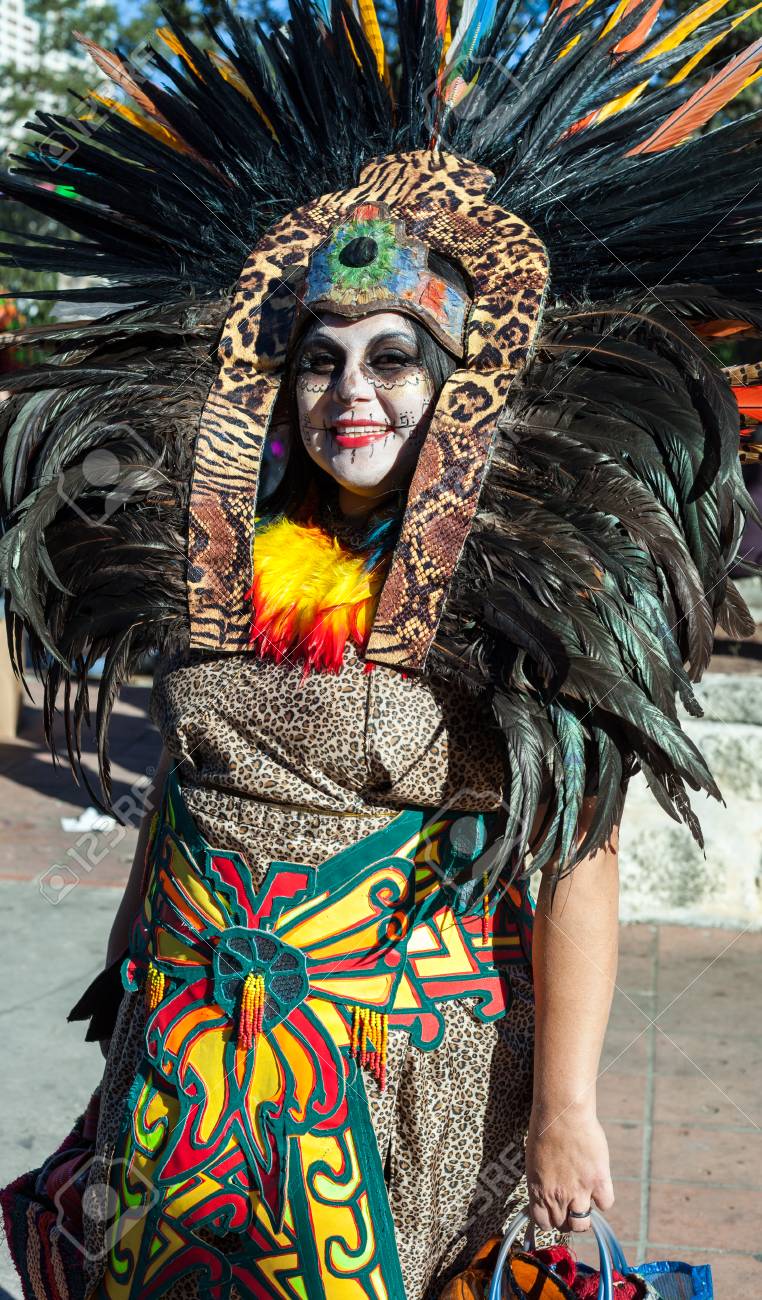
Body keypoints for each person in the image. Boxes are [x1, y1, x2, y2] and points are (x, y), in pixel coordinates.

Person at [0, 1, 760, 1297]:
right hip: (186, 1047)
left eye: (395, 362)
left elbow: (575, 856)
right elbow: (190, 784)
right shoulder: (224, 550)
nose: (352, 391)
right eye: (323, 360)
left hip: (395, 1073)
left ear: (461, 383)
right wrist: (131, 956)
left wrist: (567, 1108)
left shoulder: (524, 589)